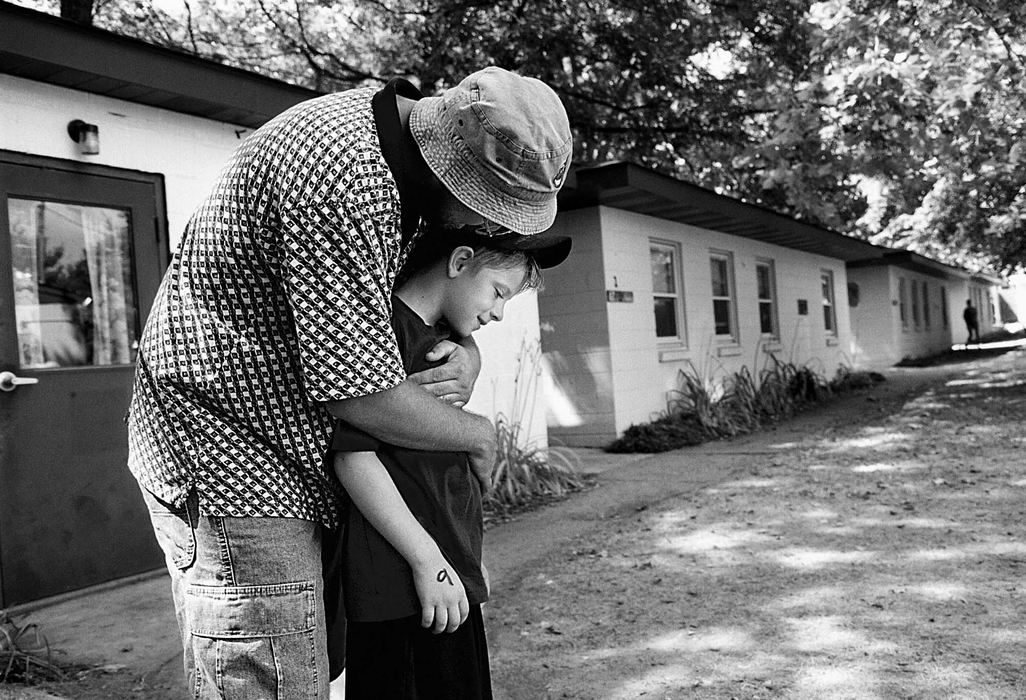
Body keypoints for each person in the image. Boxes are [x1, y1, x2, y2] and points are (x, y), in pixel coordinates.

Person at [126, 66, 572, 699]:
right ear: (451, 167)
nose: (489, 226)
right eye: (490, 211)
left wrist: (465, 351)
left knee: (312, 669)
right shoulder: (342, 176)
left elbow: (397, 308)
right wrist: (476, 434)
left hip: (293, 459)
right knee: (274, 684)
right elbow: (358, 391)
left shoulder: (406, 166)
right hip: (229, 460)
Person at [326, 226, 571, 698]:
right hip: (403, 585)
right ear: (459, 263)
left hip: (443, 579)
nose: (498, 314)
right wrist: (429, 562)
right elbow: (354, 459)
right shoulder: (383, 334)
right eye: (498, 293)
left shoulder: (443, 342)